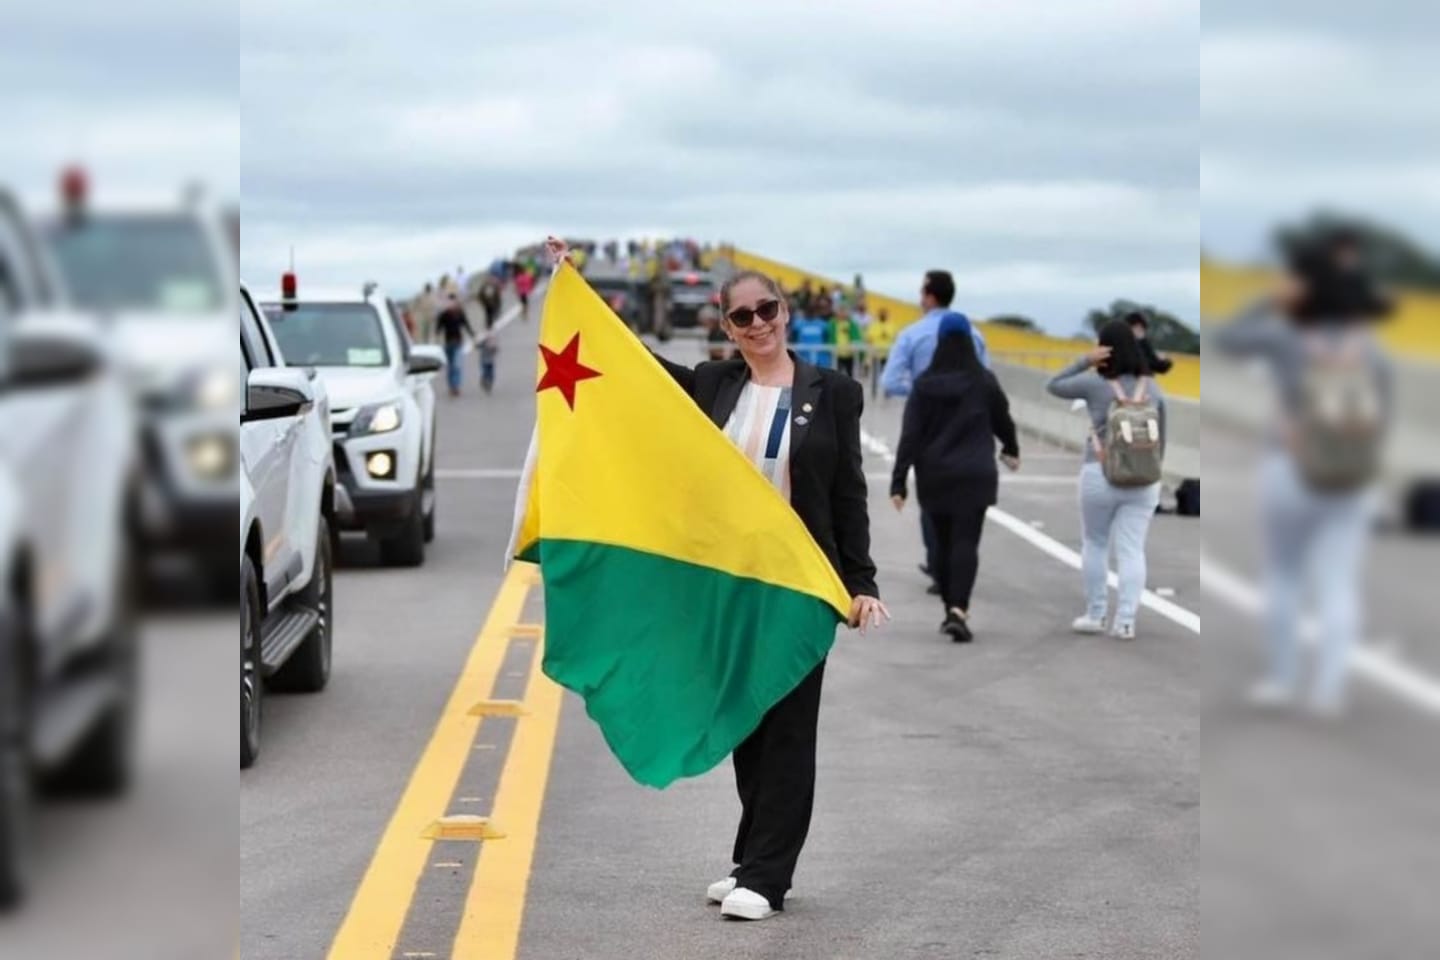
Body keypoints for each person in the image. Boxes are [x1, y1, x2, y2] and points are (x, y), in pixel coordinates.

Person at [543, 237, 887, 922]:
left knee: (788, 729)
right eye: (742, 318)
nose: (757, 325)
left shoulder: (833, 393)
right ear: (725, 328)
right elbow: (635, 370)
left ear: (785, 313)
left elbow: (847, 491)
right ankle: (748, 858)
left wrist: (861, 580)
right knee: (746, 722)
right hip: (729, 586)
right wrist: (571, 284)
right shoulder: (713, 385)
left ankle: (768, 875)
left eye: (767, 311)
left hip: (799, 587)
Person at [1214, 230, 1392, 714]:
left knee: (1284, 576)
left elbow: (1227, 340)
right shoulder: (1370, 349)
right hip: (1350, 473)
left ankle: (1282, 679)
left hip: (1290, 467)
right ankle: (1329, 692)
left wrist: (1269, 300)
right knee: (1339, 583)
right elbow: (1381, 418)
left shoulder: (1286, 336)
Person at [891, 313, 1020, 642]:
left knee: (944, 543)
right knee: (966, 541)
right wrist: (1011, 448)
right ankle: (958, 609)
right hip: (976, 473)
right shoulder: (984, 380)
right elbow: (1003, 421)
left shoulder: (924, 385)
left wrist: (899, 482)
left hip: (934, 474)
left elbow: (910, 435)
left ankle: (951, 606)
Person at [1046, 320, 1166, 640]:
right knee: (1132, 550)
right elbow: (1161, 442)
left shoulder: (1094, 386)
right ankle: (1126, 621)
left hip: (1099, 473)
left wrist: (1085, 360)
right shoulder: (1153, 389)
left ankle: (1096, 614)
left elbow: (1053, 384)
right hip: (1144, 480)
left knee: (1096, 543)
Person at [881, 271, 990, 593]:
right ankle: (957, 563)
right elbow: (987, 379)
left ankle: (938, 562)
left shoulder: (912, 335)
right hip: (969, 425)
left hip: (928, 427)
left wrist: (918, 392)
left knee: (931, 498)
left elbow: (889, 381)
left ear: (929, 296)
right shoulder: (976, 335)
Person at [435, 292, 476, 397]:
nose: (452, 304)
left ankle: (456, 386)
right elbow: (438, 329)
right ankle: (451, 386)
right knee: (450, 367)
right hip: (448, 343)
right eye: (450, 302)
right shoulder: (444, 315)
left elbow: (466, 324)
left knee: (456, 365)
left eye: (453, 302)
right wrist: (436, 339)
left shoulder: (460, 313)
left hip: (458, 342)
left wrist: (472, 335)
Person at [832, 303, 862, 378]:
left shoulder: (852, 324)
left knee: (851, 376)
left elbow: (857, 337)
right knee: (836, 376)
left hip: (850, 354)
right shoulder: (832, 324)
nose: (842, 313)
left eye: (844, 311)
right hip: (837, 354)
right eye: (840, 311)